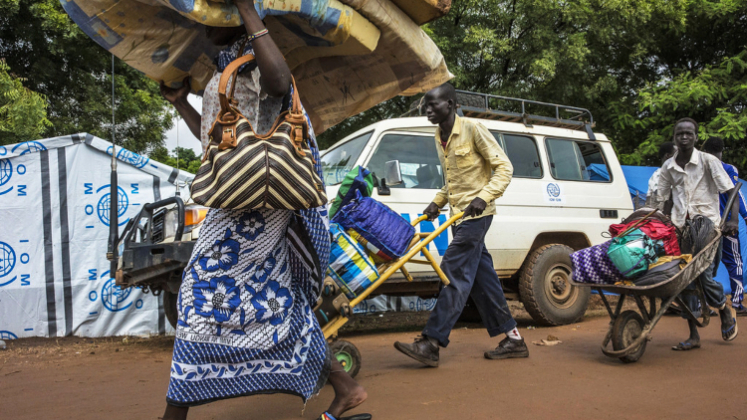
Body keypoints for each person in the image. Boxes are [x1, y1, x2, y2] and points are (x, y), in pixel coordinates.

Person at [157, 2, 368, 419]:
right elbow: (219, 139)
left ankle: (174, 414)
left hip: (263, 201)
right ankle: (346, 386)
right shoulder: (228, 68)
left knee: (199, 294)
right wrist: (181, 101)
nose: (203, 31)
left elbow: (280, 83)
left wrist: (249, 10)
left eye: (210, 21)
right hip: (238, 197)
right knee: (277, 299)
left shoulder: (255, 57)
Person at [393, 83, 528, 366]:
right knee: (483, 280)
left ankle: (431, 342)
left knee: (453, 271)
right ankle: (514, 338)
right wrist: (437, 203)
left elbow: (505, 167)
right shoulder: (438, 136)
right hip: (458, 215)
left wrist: (484, 197)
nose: (428, 110)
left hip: (477, 216)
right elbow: (452, 181)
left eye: (434, 105)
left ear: (452, 104)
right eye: (425, 106)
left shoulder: (472, 129)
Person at [658, 118, 739, 351]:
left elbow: (730, 190)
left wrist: (732, 219)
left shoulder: (708, 161)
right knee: (682, 279)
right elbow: (667, 198)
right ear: (675, 137)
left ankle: (723, 309)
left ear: (695, 136)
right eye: (680, 133)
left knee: (702, 275)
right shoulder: (669, 166)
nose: (684, 137)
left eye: (688, 133)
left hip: (708, 228)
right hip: (681, 230)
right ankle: (693, 335)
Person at [703, 136, 747, 315]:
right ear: (721, 151)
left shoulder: (700, 170)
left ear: (705, 152)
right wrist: (743, 216)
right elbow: (736, 194)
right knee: (735, 262)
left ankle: (703, 304)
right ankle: (737, 302)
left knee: (702, 264)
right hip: (728, 224)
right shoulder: (729, 169)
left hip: (705, 225)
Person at [644, 142, 676, 209]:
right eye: (677, 153)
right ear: (668, 156)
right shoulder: (659, 174)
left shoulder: (656, 173)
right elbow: (657, 197)